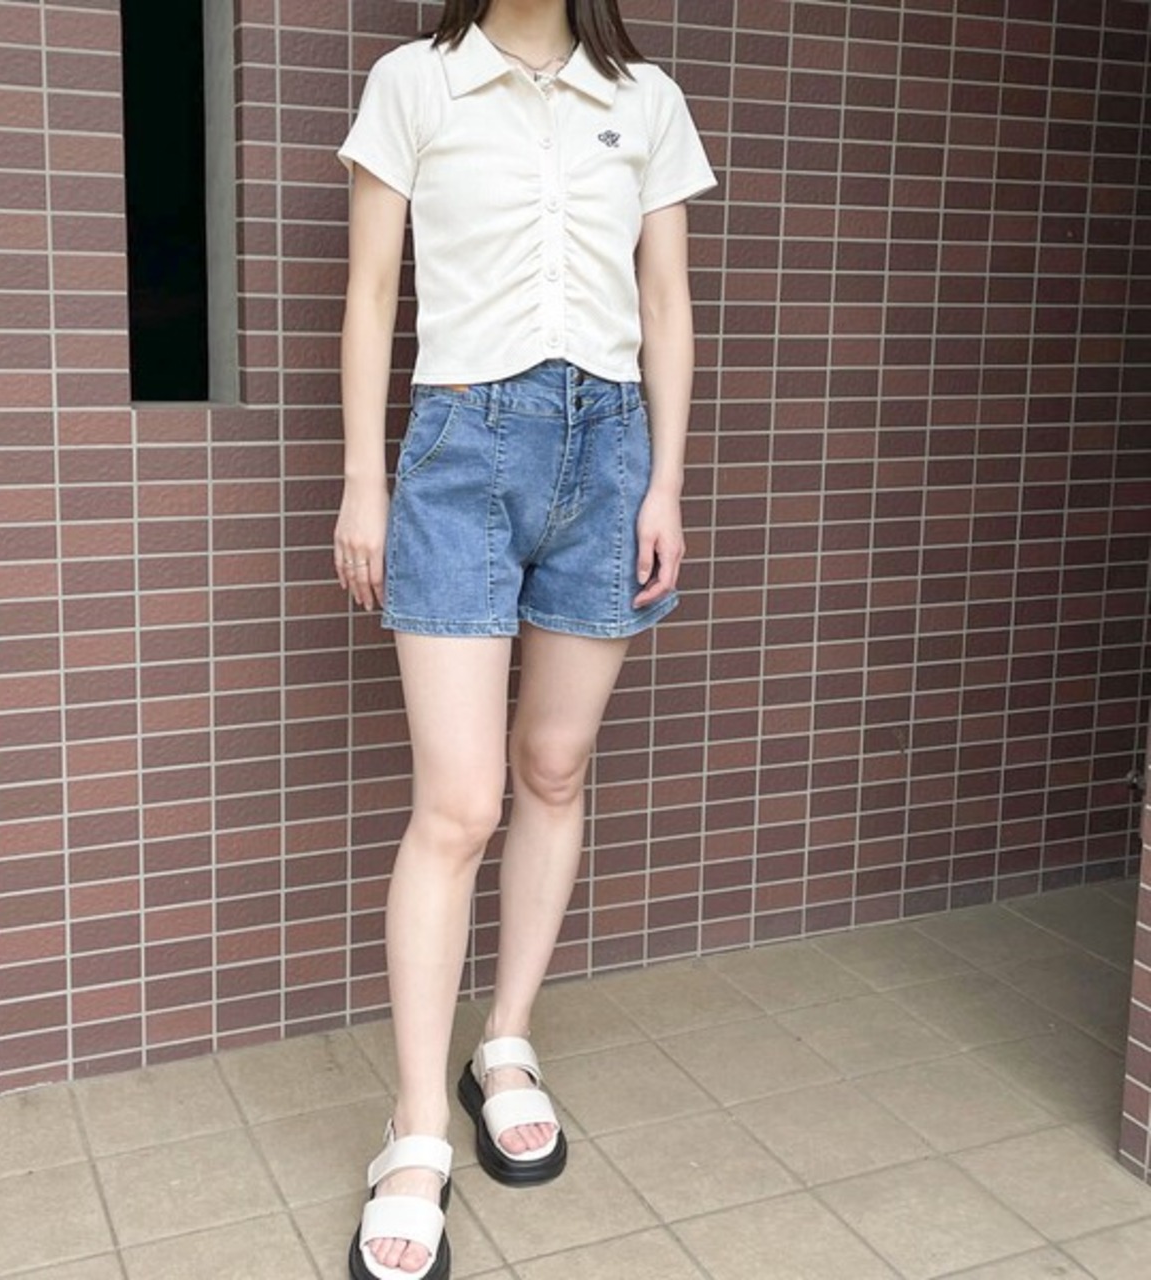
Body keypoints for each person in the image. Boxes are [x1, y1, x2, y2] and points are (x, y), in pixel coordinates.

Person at [334, 2, 715, 1276]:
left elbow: (663, 299)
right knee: (459, 801)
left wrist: (663, 483)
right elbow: (372, 290)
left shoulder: (643, 98)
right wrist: (364, 482)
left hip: (610, 454)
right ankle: (413, 1131)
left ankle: (501, 1042)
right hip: (459, 445)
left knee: (552, 767)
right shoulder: (414, 82)